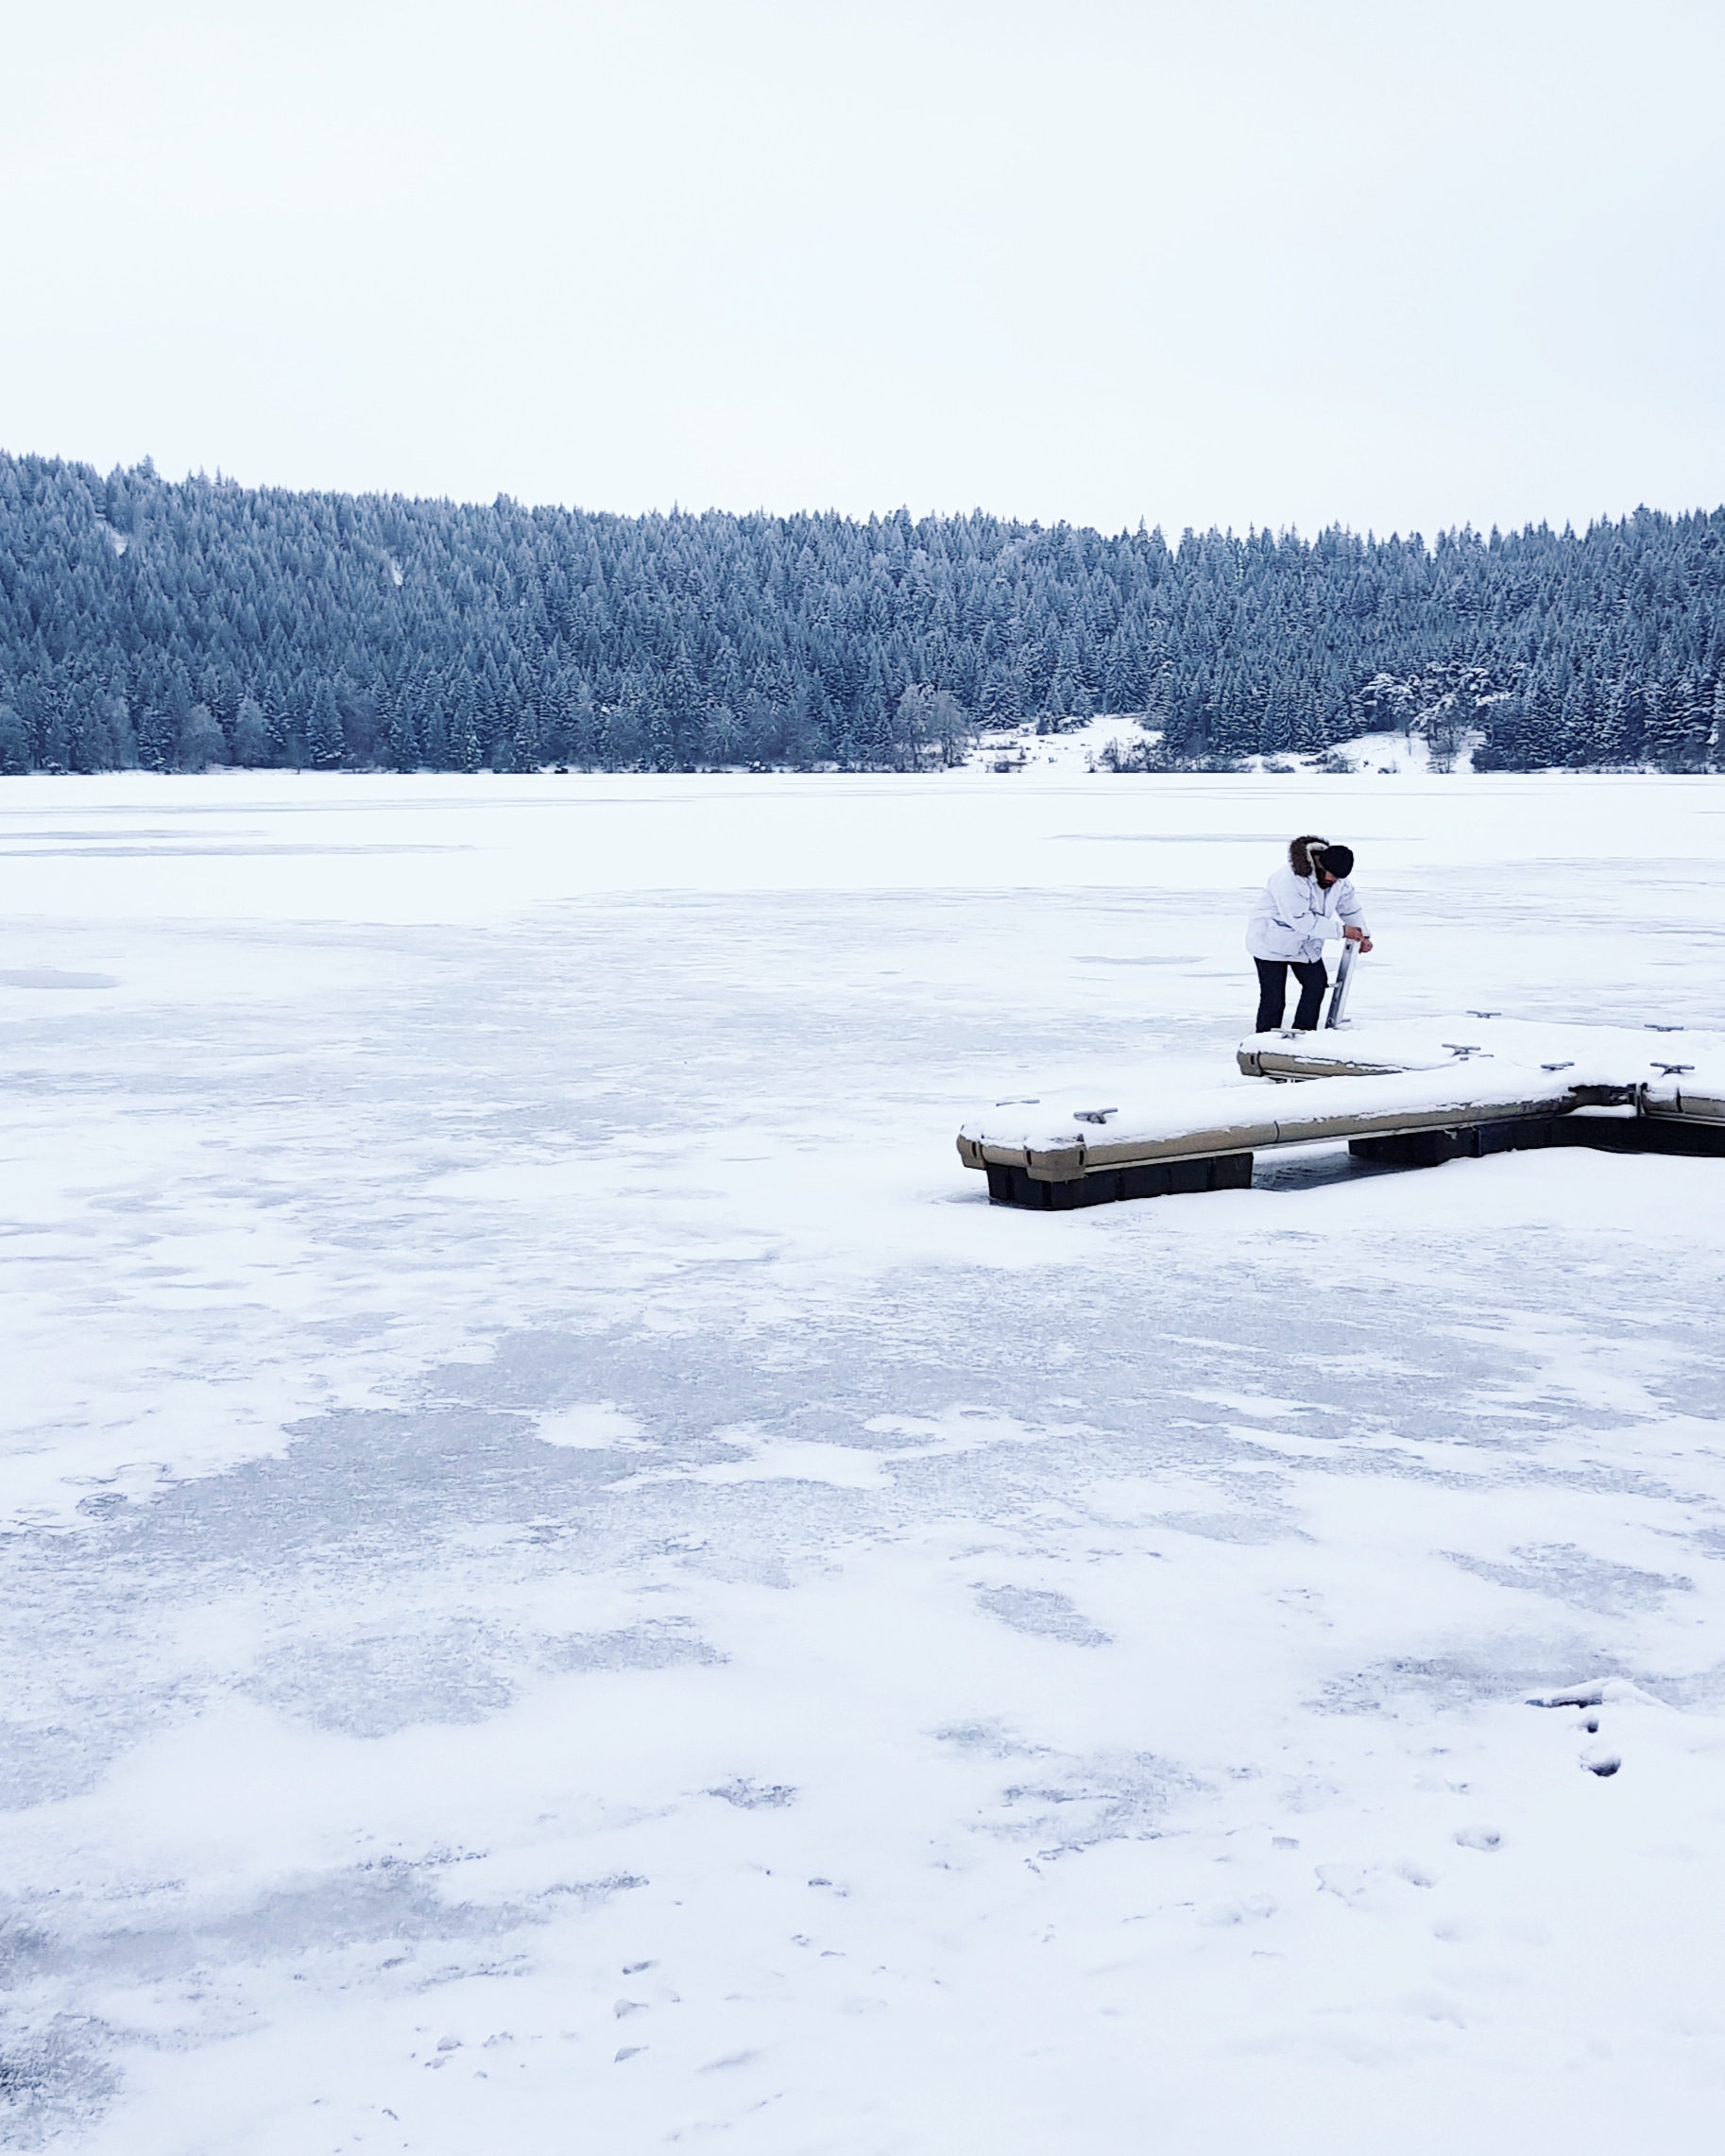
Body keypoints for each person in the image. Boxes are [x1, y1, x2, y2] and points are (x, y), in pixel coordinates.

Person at [1247, 833, 1373, 1032]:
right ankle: (1264, 1043)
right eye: (1333, 876)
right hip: (1271, 941)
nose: (1335, 881)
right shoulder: (1290, 878)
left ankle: (1304, 1033)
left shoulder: (1336, 879)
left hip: (1305, 944)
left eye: (1339, 878)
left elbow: (1349, 907)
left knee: (1316, 986)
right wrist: (1342, 931)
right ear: (1321, 866)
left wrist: (1362, 934)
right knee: (1273, 998)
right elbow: (1300, 919)